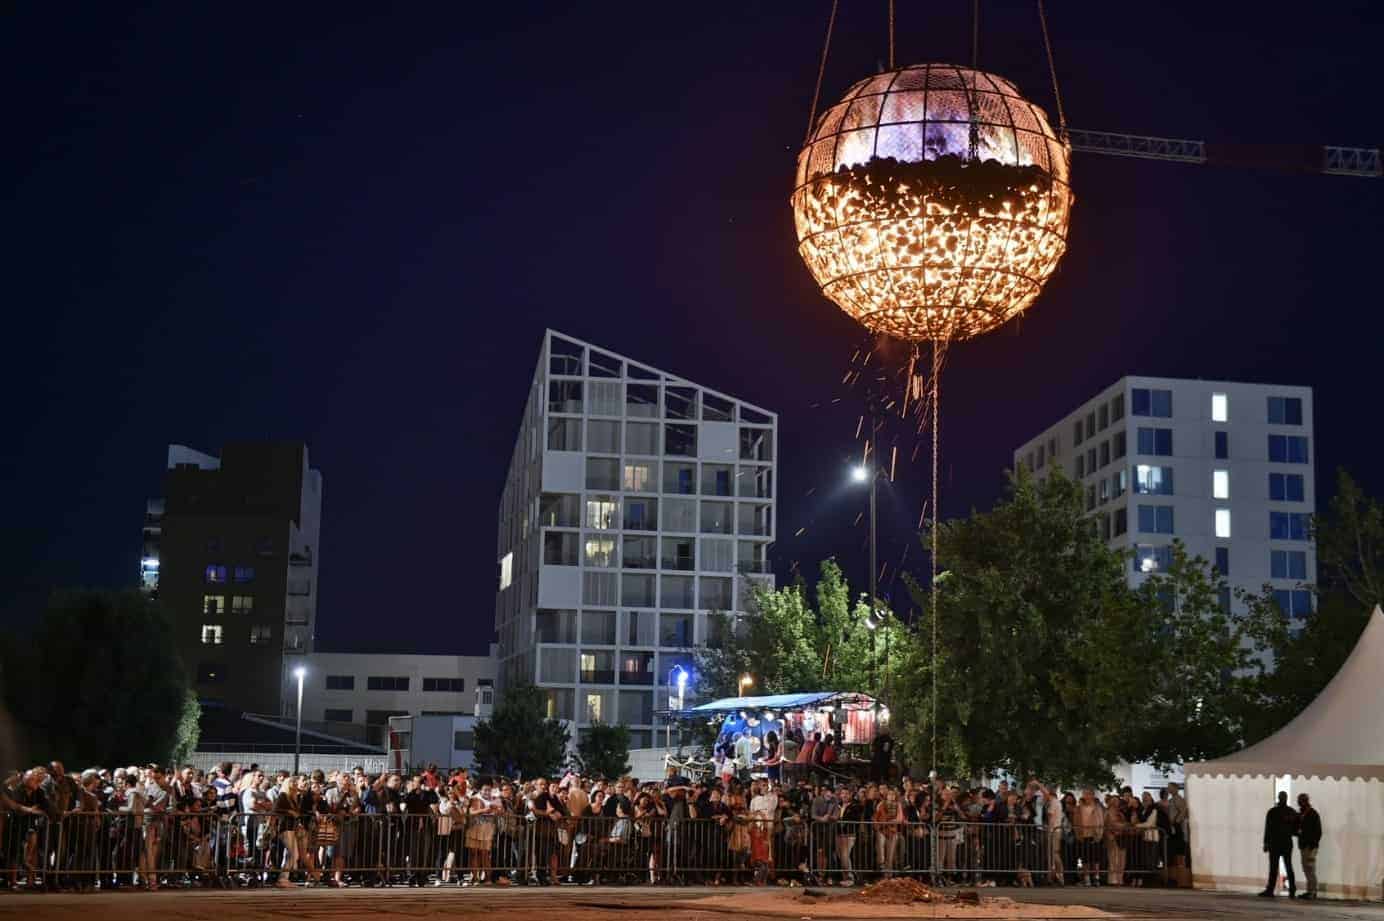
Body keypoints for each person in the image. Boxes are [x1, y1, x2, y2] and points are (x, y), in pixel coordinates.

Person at [1259, 791, 1298, 898]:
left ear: (1279, 798)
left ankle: (1270, 890)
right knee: (1288, 866)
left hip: (1275, 843)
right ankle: (1292, 890)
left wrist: (1266, 843)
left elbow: (1268, 829)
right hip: (1286, 843)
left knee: (1274, 867)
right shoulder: (1291, 812)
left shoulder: (1272, 812)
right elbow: (1296, 829)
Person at [1295, 793, 1321, 900]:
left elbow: (1318, 831)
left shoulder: (1313, 814)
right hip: (1303, 845)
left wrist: (1313, 846)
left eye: (1300, 801)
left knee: (1310, 868)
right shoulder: (1301, 813)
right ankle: (1310, 890)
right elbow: (1296, 828)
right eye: (1299, 801)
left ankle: (1313, 891)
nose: (1299, 803)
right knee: (1306, 868)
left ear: (1305, 801)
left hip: (1310, 846)